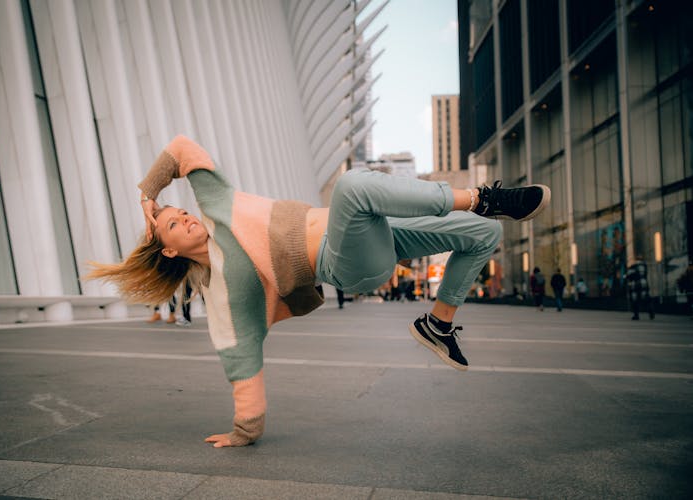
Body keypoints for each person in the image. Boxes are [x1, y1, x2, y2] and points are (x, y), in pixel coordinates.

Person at [88, 135, 550, 447]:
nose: (185, 218)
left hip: (374, 227)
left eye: (179, 212)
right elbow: (242, 361)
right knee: (351, 184)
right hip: (347, 260)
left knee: (481, 236)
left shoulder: (216, 205)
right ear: (168, 251)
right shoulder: (226, 294)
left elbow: (183, 149)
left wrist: (149, 194)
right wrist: (244, 432)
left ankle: (438, 324)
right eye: (172, 224)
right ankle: (485, 198)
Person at [625, 256, 655, 320]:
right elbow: (646, 274)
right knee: (645, 298)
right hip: (644, 283)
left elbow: (629, 275)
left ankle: (636, 315)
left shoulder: (633, 266)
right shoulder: (644, 266)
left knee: (635, 300)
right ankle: (650, 310)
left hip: (635, 284)